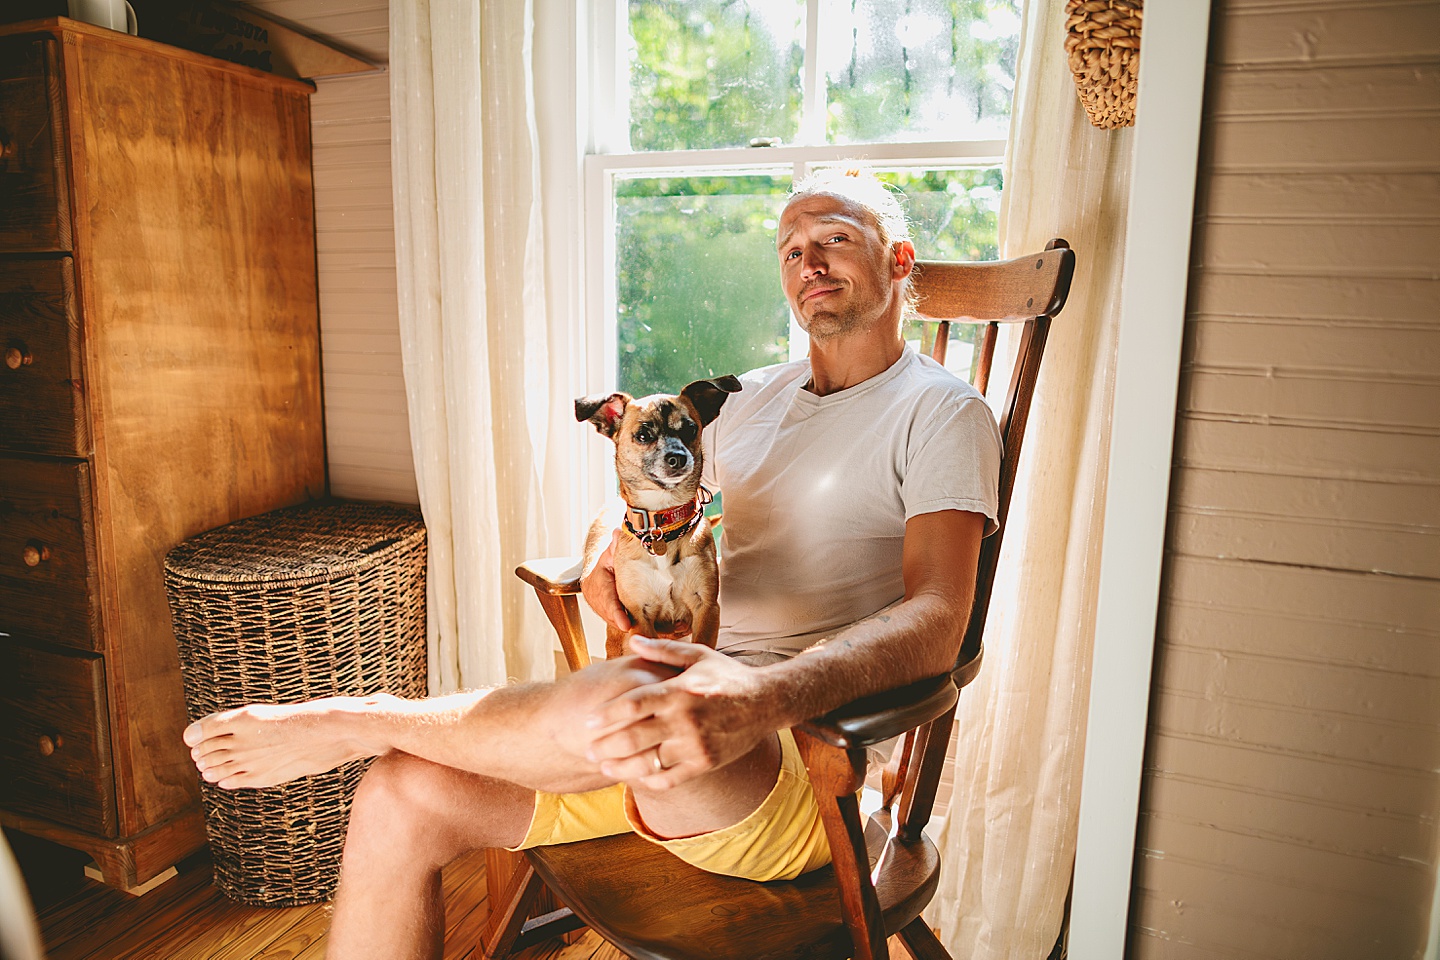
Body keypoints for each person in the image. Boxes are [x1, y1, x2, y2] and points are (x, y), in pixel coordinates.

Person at [182, 168, 1001, 960]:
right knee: (397, 793)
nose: (808, 262)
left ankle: (355, 718)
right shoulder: (752, 399)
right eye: (790, 249)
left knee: (638, 684)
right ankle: (376, 738)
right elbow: (640, 486)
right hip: (661, 733)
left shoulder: (942, 412)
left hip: (801, 766)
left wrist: (761, 695)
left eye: (834, 238)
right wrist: (605, 548)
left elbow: (938, 620)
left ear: (898, 260)